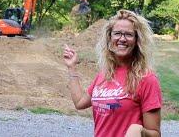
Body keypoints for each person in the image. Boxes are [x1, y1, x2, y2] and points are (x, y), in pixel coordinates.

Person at [63, 9, 162, 137]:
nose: (122, 39)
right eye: (117, 33)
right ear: (110, 38)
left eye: (129, 34)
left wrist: (140, 132)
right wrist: (71, 67)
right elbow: (80, 103)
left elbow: (155, 134)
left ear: (137, 40)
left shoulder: (146, 78)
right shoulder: (104, 75)